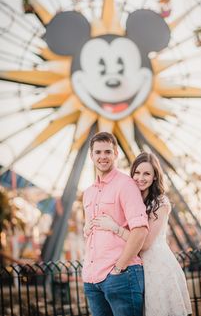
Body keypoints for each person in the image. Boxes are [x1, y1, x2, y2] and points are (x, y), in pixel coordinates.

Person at [92, 151, 192, 316]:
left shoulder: (160, 203)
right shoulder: (132, 199)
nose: (141, 177)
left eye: (147, 173)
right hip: (137, 267)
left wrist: (114, 227)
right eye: (137, 173)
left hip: (157, 267)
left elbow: (144, 244)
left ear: (154, 177)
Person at [82, 132, 149, 316]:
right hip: (92, 278)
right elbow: (91, 231)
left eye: (107, 152)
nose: (102, 157)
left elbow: (140, 230)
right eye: (98, 152)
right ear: (91, 155)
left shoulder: (126, 185)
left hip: (121, 275)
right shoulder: (87, 193)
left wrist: (119, 267)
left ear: (116, 153)